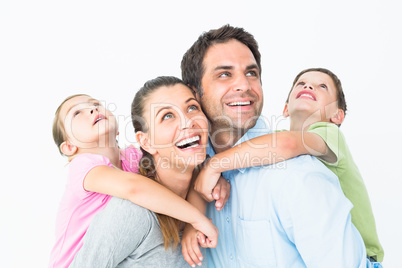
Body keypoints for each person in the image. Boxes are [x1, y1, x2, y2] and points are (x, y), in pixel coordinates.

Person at [180, 24, 368, 267]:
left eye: (251, 73)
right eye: (225, 74)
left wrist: (213, 166)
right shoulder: (184, 171)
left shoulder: (299, 176)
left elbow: (289, 143)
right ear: (195, 93)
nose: (245, 86)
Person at [69, 76, 230, 267]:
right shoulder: (132, 213)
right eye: (167, 116)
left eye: (192, 107)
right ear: (146, 142)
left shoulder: (211, 196)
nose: (188, 122)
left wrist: (211, 172)